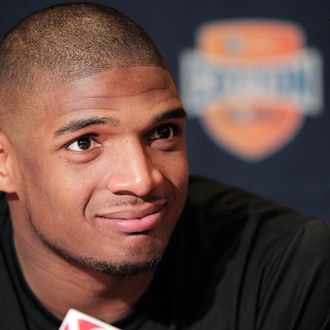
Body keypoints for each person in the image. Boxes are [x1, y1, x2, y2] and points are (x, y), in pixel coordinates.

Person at [0, 2, 328, 329]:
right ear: (4, 164)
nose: (143, 179)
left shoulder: (290, 269)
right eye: (84, 143)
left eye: (162, 132)